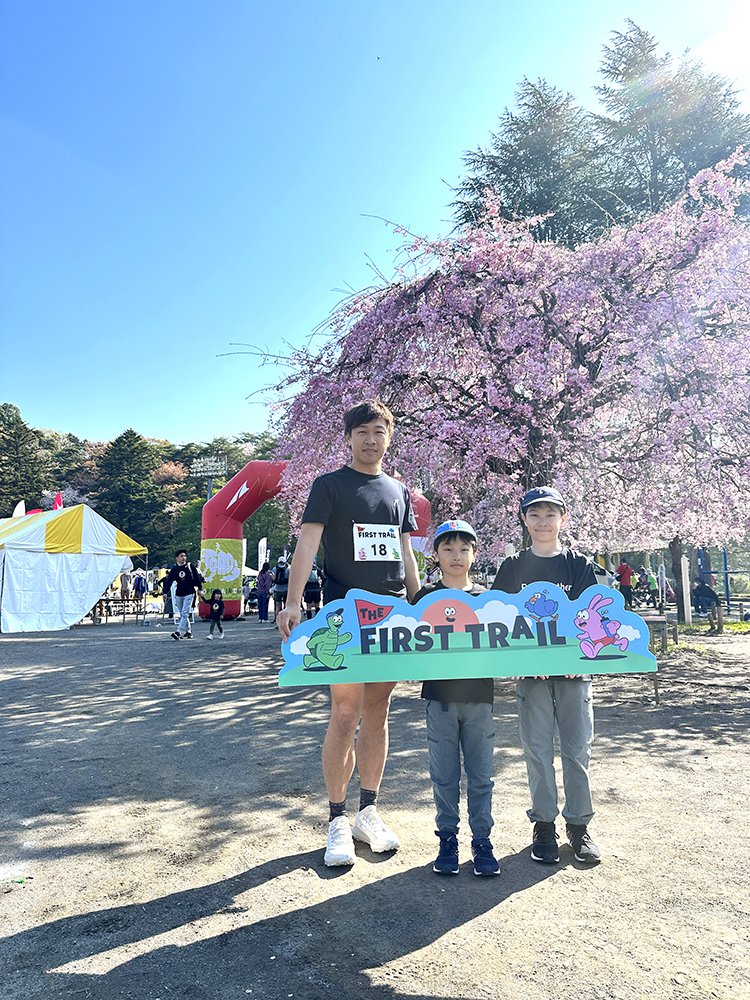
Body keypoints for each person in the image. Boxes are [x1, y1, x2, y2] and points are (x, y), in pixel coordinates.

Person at [276, 399, 420, 867]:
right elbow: (308, 543)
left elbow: (405, 552)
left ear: (389, 437)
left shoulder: (399, 491)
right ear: (348, 438)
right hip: (343, 617)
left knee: (378, 711)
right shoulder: (329, 486)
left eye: (380, 431)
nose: (371, 439)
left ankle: (368, 812)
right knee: (344, 712)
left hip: (393, 617)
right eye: (362, 431)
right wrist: (294, 601)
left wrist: (419, 604)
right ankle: (337, 819)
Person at [492, 486, 601, 866]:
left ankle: (579, 825)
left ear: (563, 519)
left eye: (550, 514)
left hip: (574, 674)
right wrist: (520, 661)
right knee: (537, 751)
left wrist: (580, 658)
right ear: (524, 519)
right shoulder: (513, 567)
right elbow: (499, 620)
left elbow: (593, 616)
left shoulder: (579, 566)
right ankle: (543, 825)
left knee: (577, 750)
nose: (543, 522)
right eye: (534, 514)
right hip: (531, 677)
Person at [413, 519, 499, 877]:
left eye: (464, 549)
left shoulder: (489, 600)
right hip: (439, 699)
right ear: (435, 555)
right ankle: (447, 837)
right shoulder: (422, 600)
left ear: (475, 554)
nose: (456, 556)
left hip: (480, 699)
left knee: (481, 775)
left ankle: (482, 840)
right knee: (444, 774)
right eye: (448, 549)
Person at [162, 549, 204, 640]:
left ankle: (178, 632)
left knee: (185, 613)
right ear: (177, 558)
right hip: (179, 594)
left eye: (184, 556)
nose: (183, 558)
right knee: (182, 614)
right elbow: (169, 581)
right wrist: (165, 592)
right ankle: (188, 632)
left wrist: (200, 589)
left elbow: (197, 578)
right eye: (181, 556)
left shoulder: (190, 566)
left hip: (189, 592)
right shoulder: (174, 569)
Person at [271, 557, 289, 622]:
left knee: (278, 606)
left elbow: (273, 579)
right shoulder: (288, 569)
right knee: (286, 606)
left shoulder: (274, 569)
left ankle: (277, 620)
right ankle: (285, 621)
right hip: (286, 590)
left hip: (277, 589)